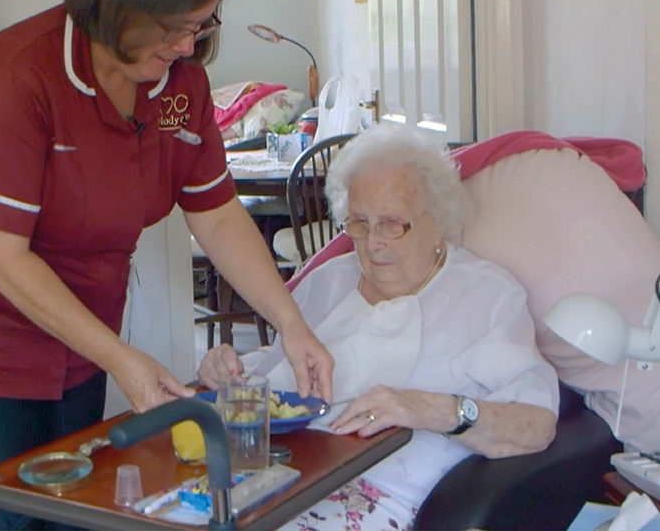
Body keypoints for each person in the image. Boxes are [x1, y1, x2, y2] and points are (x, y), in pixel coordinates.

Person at [0, 0, 333, 530]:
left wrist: (291, 323)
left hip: (81, 324)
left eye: (203, 26)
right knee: (17, 512)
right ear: (116, 1)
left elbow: (217, 213)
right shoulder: (13, 77)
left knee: (81, 504)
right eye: (175, 27)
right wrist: (124, 358)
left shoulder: (179, 82)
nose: (188, 46)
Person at [198, 126, 559, 531]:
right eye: (359, 223)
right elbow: (287, 365)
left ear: (438, 220)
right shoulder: (326, 281)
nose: (371, 244)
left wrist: (435, 409)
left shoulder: (485, 296)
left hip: (380, 497)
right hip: (278, 479)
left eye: (391, 224)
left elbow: (536, 425)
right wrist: (235, 369)